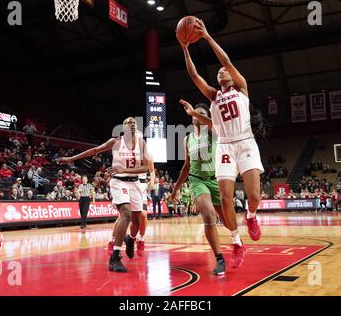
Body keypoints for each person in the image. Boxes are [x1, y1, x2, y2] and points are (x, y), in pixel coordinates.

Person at [178, 19, 264, 263]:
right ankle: (237, 242)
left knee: (254, 195)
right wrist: (185, 49)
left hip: (246, 142)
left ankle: (251, 215)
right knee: (225, 198)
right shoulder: (213, 96)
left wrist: (206, 37)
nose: (222, 71)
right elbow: (194, 75)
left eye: (224, 71)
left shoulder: (241, 88)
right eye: (218, 73)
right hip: (225, 145)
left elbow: (226, 61)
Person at [57, 117, 150, 273]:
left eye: (134, 123)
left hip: (135, 184)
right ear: (123, 127)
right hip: (119, 182)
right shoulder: (115, 141)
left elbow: (146, 167)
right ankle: (114, 258)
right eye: (129, 122)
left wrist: (125, 170)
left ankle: (131, 239)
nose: (132, 124)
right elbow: (94, 150)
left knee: (137, 220)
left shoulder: (141, 143)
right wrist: (70, 159)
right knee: (125, 214)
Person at [171, 102, 230, 274]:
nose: (197, 115)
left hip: (216, 179)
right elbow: (187, 165)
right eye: (195, 113)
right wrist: (176, 188)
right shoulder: (187, 139)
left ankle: (236, 241)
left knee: (226, 220)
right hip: (197, 180)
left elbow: (211, 123)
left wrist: (196, 113)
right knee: (209, 214)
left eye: (201, 113)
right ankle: (219, 258)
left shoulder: (213, 131)